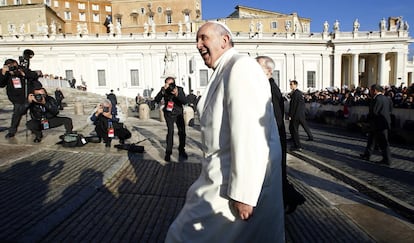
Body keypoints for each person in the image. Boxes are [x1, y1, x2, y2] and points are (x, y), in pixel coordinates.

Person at [165, 21, 284, 243]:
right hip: (218, 175)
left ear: (224, 40)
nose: (198, 44)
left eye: (203, 38)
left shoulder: (241, 67)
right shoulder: (224, 69)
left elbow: (250, 131)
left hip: (231, 183)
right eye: (197, 40)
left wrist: (244, 194)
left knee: (181, 236)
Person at [256, 56, 306, 214]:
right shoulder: (266, 86)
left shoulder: (270, 88)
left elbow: (277, 117)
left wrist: (272, 139)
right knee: (277, 175)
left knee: (277, 174)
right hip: (274, 136)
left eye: (258, 67)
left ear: (269, 71)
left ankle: (292, 199)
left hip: (275, 136)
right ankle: (291, 199)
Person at [0, 59, 42, 138]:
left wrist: (23, 73)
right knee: (16, 114)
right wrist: (3, 73)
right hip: (16, 98)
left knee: (35, 113)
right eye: (11, 67)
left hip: (28, 94)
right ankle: (12, 131)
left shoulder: (22, 69)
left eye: (14, 66)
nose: (13, 68)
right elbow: (1, 84)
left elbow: (34, 75)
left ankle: (35, 129)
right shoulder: (4, 72)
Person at [153, 77, 188, 162]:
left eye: (171, 84)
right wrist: (162, 91)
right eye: (168, 84)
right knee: (170, 132)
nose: (170, 86)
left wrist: (176, 94)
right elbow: (157, 100)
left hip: (179, 113)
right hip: (169, 114)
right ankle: (168, 153)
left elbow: (184, 101)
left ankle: (181, 150)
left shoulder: (179, 89)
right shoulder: (164, 90)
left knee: (182, 132)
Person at [360, 84, 393, 165]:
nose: (370, 92)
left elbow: (374, 112)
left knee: (383, 142)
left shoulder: (376, 99)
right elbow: (390, 110)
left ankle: (387, 159)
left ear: (374, 91)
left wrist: (366, 120)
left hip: (378, 124)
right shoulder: (387, 98)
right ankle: (367, 154)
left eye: (371, 90)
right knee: (371, 140)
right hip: (383, 123)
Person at [288, 80, 313, 151]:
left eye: (291, 84)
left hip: (296, 115)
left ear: (295, 85)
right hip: (299, 114)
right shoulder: (298, 93)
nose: (290, 86)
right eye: (290, 84)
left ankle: (298, 146)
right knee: (293, 129)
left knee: (294, 130)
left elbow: (293, 106)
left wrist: (290, 115)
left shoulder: (296, 93)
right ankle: (296, 142)